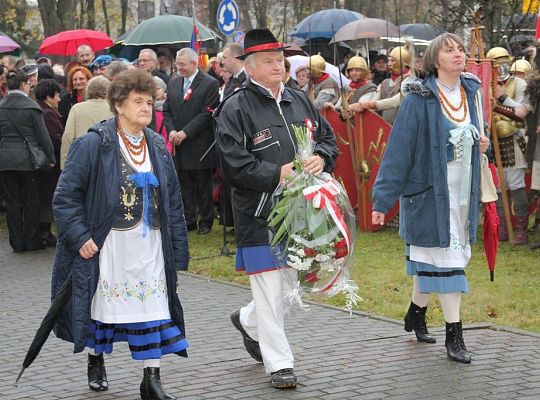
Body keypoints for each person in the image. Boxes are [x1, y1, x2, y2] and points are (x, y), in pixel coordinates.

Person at [51, 69, 189, 399]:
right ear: (118, 104)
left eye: (150, 102)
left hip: (150, 247)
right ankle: (95, 359)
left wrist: (178, 249)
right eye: (137, 101)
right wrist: (80, 236)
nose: (146, 108)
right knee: (101, 309)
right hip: (110, 246)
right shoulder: (93, 144)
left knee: (154, 308)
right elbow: (65, 196)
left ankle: (151, 380)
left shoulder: (157, 144)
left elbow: (173, 199)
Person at [214, 28, 338, 388]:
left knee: (288, 285)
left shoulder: (299, 99)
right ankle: (280, 364)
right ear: (249, 68)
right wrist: (275, 173)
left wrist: (321, 158)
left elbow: (328, 140)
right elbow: (233, 164)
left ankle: (249, 321)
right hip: (259, 213)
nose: (277, 66)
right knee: (269, 288)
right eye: (268, 61)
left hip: (305, 213)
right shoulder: (235, 107)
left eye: (279, 60)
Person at [372, 33, 490, 364]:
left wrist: (481, 146)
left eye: (461, 49)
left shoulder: (471, 94)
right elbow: (398, 151)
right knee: (447, 261)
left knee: (435, 261)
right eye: (449, 49)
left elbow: (475, 140)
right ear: (435, 58)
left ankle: (415, 313)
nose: (458, 54)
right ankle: (455, 335)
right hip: (428, 195)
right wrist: (382, 202)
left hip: (461, 194)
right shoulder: (418, 98)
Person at [164, 48, 220, 235]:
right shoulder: (173, 83)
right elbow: (167, 110)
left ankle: (205, 220)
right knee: (184, 184)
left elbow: (207, 113)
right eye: (177, 64)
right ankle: (189, 219)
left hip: (200, 143)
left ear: (194, 64)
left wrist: (185, 132)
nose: (178, 68)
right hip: (179, 145)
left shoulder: (210, 83)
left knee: (203, 185)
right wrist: (172, 130)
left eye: (182, 64)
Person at [0, 70, 56, 252]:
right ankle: (31, 241)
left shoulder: (2, 106)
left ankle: (16, 242)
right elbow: (43, 136)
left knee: (12, 202)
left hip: (6, 160)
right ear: (24, 85)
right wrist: (51, 157)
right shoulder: (31, 107)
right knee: (31, 200)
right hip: (28, 161)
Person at [486, 47, 530, 244]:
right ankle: (503, 226)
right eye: (496, 65)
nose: (500, 68)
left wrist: (500, 101)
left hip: (513, 140)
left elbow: (521, 112)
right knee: (497, 186)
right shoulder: (485, 85)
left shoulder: (519, 83)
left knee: (516, 185)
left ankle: (521, 229)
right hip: (493, 142)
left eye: (503, 63)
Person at [60, 75, 114, 169]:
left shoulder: (77, 108)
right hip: (108, 161)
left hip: (82, 160)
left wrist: (65, 164)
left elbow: (68, 137)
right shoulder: (115, 110)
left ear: (88, 90)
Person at [351, 46, 414, 124]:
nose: (389, 63)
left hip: (404, 128)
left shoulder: (411, 82)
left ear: (403, 63)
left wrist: (366, 105)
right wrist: (352, 112)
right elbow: (373, 103)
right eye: (389, 60)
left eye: (393, 61)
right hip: (387, 129)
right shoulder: (385, 83)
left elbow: (394, 102)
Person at [35, 79, 63, 246]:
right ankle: (44, 231)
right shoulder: (48, 113)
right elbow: (54, 138)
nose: (59, 97)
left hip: (46, 164)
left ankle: (44, 230)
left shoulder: (44, 110)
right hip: (50, 164)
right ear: (48, 96)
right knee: (47, 196)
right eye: (56, 94)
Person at [153, 76, 173, 154]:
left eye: (158, 89)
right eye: (153, 90)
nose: (156, 92)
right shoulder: (149, 108)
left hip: (167, 145)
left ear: (164, 89)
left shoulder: (170, 105)